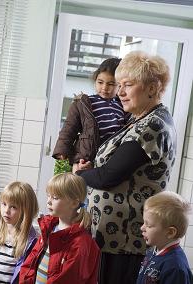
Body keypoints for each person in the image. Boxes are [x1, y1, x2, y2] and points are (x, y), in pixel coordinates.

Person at [75, 51, 177, 284]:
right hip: (113, 238)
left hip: (124, 240)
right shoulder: (141, 119)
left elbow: (109, 176)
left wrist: (80, 175)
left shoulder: (152, 125)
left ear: (152, 88)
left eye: (127, 85)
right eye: (119, 85)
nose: (119, 92)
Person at [19, 173, 100, 284]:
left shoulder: (80, 243)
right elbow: (30, 263)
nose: (48, 201)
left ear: (74, 203)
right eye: (48, 196)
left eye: (55, 197)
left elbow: (69, 279)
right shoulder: (49, 228)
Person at [53, 57, 127, 168]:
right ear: (95, 80)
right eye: (100, 82)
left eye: (111, 84)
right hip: (87, 156)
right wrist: (62, 150)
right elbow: (69, 128)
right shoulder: (84, 103)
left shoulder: (123, 105)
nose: (104, 88)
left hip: (112, 157)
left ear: (120, 85)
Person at [0, 181, 39, 284]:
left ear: (26, 211)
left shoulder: (31, 241)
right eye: (4, 204)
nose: (6, 210)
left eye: (13, 207)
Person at [137, 191, 192, 284]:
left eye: (149, 225)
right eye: (143, 223)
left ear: (170, 232)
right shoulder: (154, 251)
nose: (142, 228)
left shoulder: (175, 267)